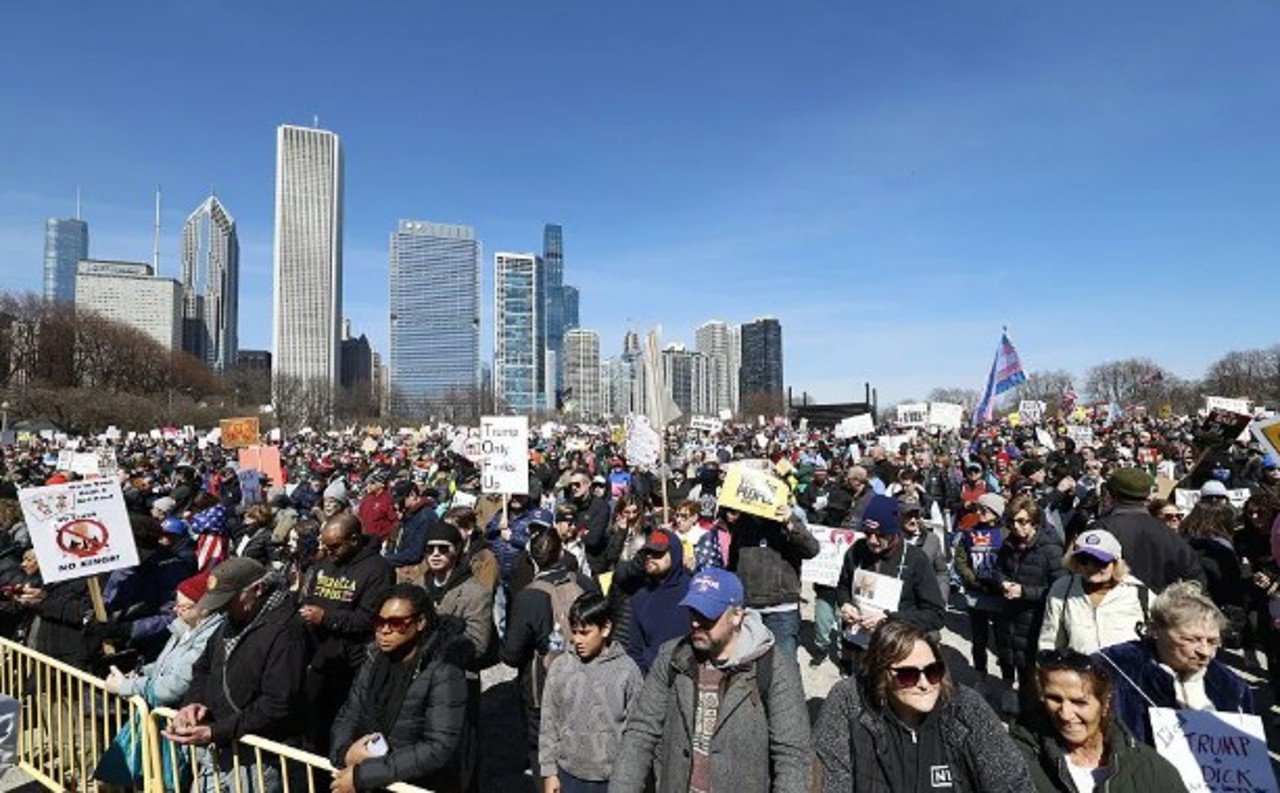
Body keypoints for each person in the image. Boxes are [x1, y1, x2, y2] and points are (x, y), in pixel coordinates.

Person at [609, 568, 811, 793]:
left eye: (707, 614)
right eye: (692, 612)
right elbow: (641, 732)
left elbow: (792, 756)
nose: (696, 623)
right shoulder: (672, 657)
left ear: (737, 615)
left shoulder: (774, 668)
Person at [812, 619, 1033, 792]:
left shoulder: (966, 708)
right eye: (908, 675)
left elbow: (1013, 782)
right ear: (880, 674)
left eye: (933, 671)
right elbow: (830, 777)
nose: (924, 684)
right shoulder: (850, 701)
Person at [167, 557, 309, 792]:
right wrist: (193, 703)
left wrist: (216, 731)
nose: (222, 608)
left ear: (257, 589)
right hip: (222, 749)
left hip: (261, 759)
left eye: (229, 600)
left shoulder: (286, 631)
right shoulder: (233, 619)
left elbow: (279, 702)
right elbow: (204, 668)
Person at [329, 584, 471, 793]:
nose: (384, 630)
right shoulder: (373, 658)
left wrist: (365, 776)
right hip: (373, 780)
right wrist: (344, 753)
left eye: (396, 623)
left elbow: (438, 747)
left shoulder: (444, 669)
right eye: (379, 622)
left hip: (416, 784)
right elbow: (350, 712)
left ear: (420, 622)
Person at [96, 570, 226, 789]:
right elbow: (164, 664)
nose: (175, 610)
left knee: (170, 781)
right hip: (164, 721)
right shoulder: (183, 627)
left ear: (203, 608)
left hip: (181, 724)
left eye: (183, 607)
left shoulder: (209, 635)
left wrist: (127, 686)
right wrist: (140, 673)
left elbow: (173, 686)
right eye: (176, 605)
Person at [1096, 581, 1254, 745]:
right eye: (1191, 639)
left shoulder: (1232, 688)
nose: (1205, 652)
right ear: (1155, 629)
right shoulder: (1112, 670)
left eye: (1213, 641)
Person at [1011, 650, 1188, 793]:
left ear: (1105, 704)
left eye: (1079, 702)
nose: (1065, 714)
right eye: (1054, 699)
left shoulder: (1147, 768)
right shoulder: (1017, 760)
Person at [501, 530, 598, 774]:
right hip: (587, 675)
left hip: (543, 687)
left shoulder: (527, 597)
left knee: (544, 751)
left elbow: (511, 654)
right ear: (562, 553)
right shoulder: (584, 583)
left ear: (532, 559)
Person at [298, 512, 394, 752]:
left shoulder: (378, 570)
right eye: (326, 546)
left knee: (343, 727)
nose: (330, 552)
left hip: (352, 663)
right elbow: (311, 597)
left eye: (335, 546)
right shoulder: (325, 564)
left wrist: (326, 618)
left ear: (354, 539)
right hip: (320, 658)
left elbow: (369, 619)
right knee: (314, 725)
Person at [538, 592, 642, 793]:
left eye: (585, 633)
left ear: (605, 628)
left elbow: (636, 732)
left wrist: (631, 780)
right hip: (569, 776)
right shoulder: (561, 667)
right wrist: (549, 773)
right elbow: (549, 723)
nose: (577, 640)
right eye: (574, 632)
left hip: (613, 780)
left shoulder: (627, 671)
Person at [836, 494, 945, 662]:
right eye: (868, 533)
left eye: (880, 534)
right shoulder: (856, 551)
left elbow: (935, 615)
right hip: (860, 647)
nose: (872, 540)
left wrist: (890, 619)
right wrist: (845, 604)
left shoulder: (916, 560)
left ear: (893, 532)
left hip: (898, 651)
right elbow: (843, 586)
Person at [727, 501, 820, 662]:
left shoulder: (787, 520)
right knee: (748, 664)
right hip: (749, 608)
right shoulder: (743, 522)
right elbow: (733, 563)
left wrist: (790, 522)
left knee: (784, 665)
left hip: (782, 610)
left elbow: (812, 549)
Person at [993, 495, 1065, 702]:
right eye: (1012, 521)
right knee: (1007, 658)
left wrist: (1024, 592)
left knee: (1029, 672)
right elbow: (997, 571)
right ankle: (1010, 697)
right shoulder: (1008, 544)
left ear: (1034, 521)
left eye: (1022, 521)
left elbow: (1058, 589)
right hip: (1009, 616)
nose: (1016, 526)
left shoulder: (1051, 549)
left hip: (1034, 620)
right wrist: (1002, 583)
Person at [1090, 468, 1205, 591]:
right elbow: (1195, 582)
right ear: (1146, 496)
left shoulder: (1100, 531)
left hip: (1112, 601)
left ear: (1110, 494)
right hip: (1158, 601)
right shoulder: (1169, 535)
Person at [1038, 529, 1149, 655]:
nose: (1090, 567)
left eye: (1099, 561)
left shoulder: (1137, 591)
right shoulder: (1062, 589)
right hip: (1080, 667)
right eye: (1084, 560)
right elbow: (1049, 642)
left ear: (1116, 563)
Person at [954, 491, 1010, 679]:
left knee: (1003, 640)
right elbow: (960, 560)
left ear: (996, 512)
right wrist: (972, 579)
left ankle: (1007, 679)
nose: (980, 513)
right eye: (979, 509)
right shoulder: (970, 532)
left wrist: (1000, 581)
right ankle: (980, 675)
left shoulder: (1006, 533)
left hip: (1000, 593)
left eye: (985, 510)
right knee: (979, 639)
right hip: (976, 592)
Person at [626, 529, 691, 673]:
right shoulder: (641, 597)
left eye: (657, 552)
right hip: (653, 677)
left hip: (688, 674)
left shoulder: (693, 590)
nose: (650, 557)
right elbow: (635, 648)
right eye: (647, 552)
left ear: (674, 554)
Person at [356, 472, 397, 543]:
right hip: (365, 538)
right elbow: (360, 516)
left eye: (372, 483)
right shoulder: (366, 499)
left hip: (380, 539)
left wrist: (387, 538)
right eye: (368, 483)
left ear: (382, 484)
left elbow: (394, 521)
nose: (368, 485)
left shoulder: (387, 499)